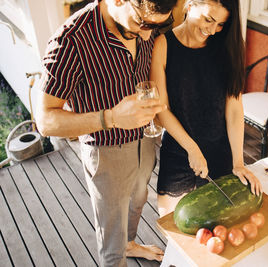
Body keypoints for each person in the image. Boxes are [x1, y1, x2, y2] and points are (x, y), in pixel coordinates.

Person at [35, 0, 177, 266]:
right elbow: (45, 120)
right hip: (106, 152)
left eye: (158, 25)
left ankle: (130, 244)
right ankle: (119, 250)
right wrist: (110, 117)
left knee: (137, 201)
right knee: (112, 244)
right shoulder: (71, 40)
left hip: (145, 140)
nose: (148, 35)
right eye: (143, 23)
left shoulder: (146, 22)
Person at [150, 0, 262, 217]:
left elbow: (235, 109)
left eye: (220, 24)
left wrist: (238, 162)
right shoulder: (163, 45)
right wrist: (192, 149)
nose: (211, 30)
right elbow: (161, 109)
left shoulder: (227, 46)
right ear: (190, 5)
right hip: (178, 152)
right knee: (174, 226)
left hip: (220, 155)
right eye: (208, 19)